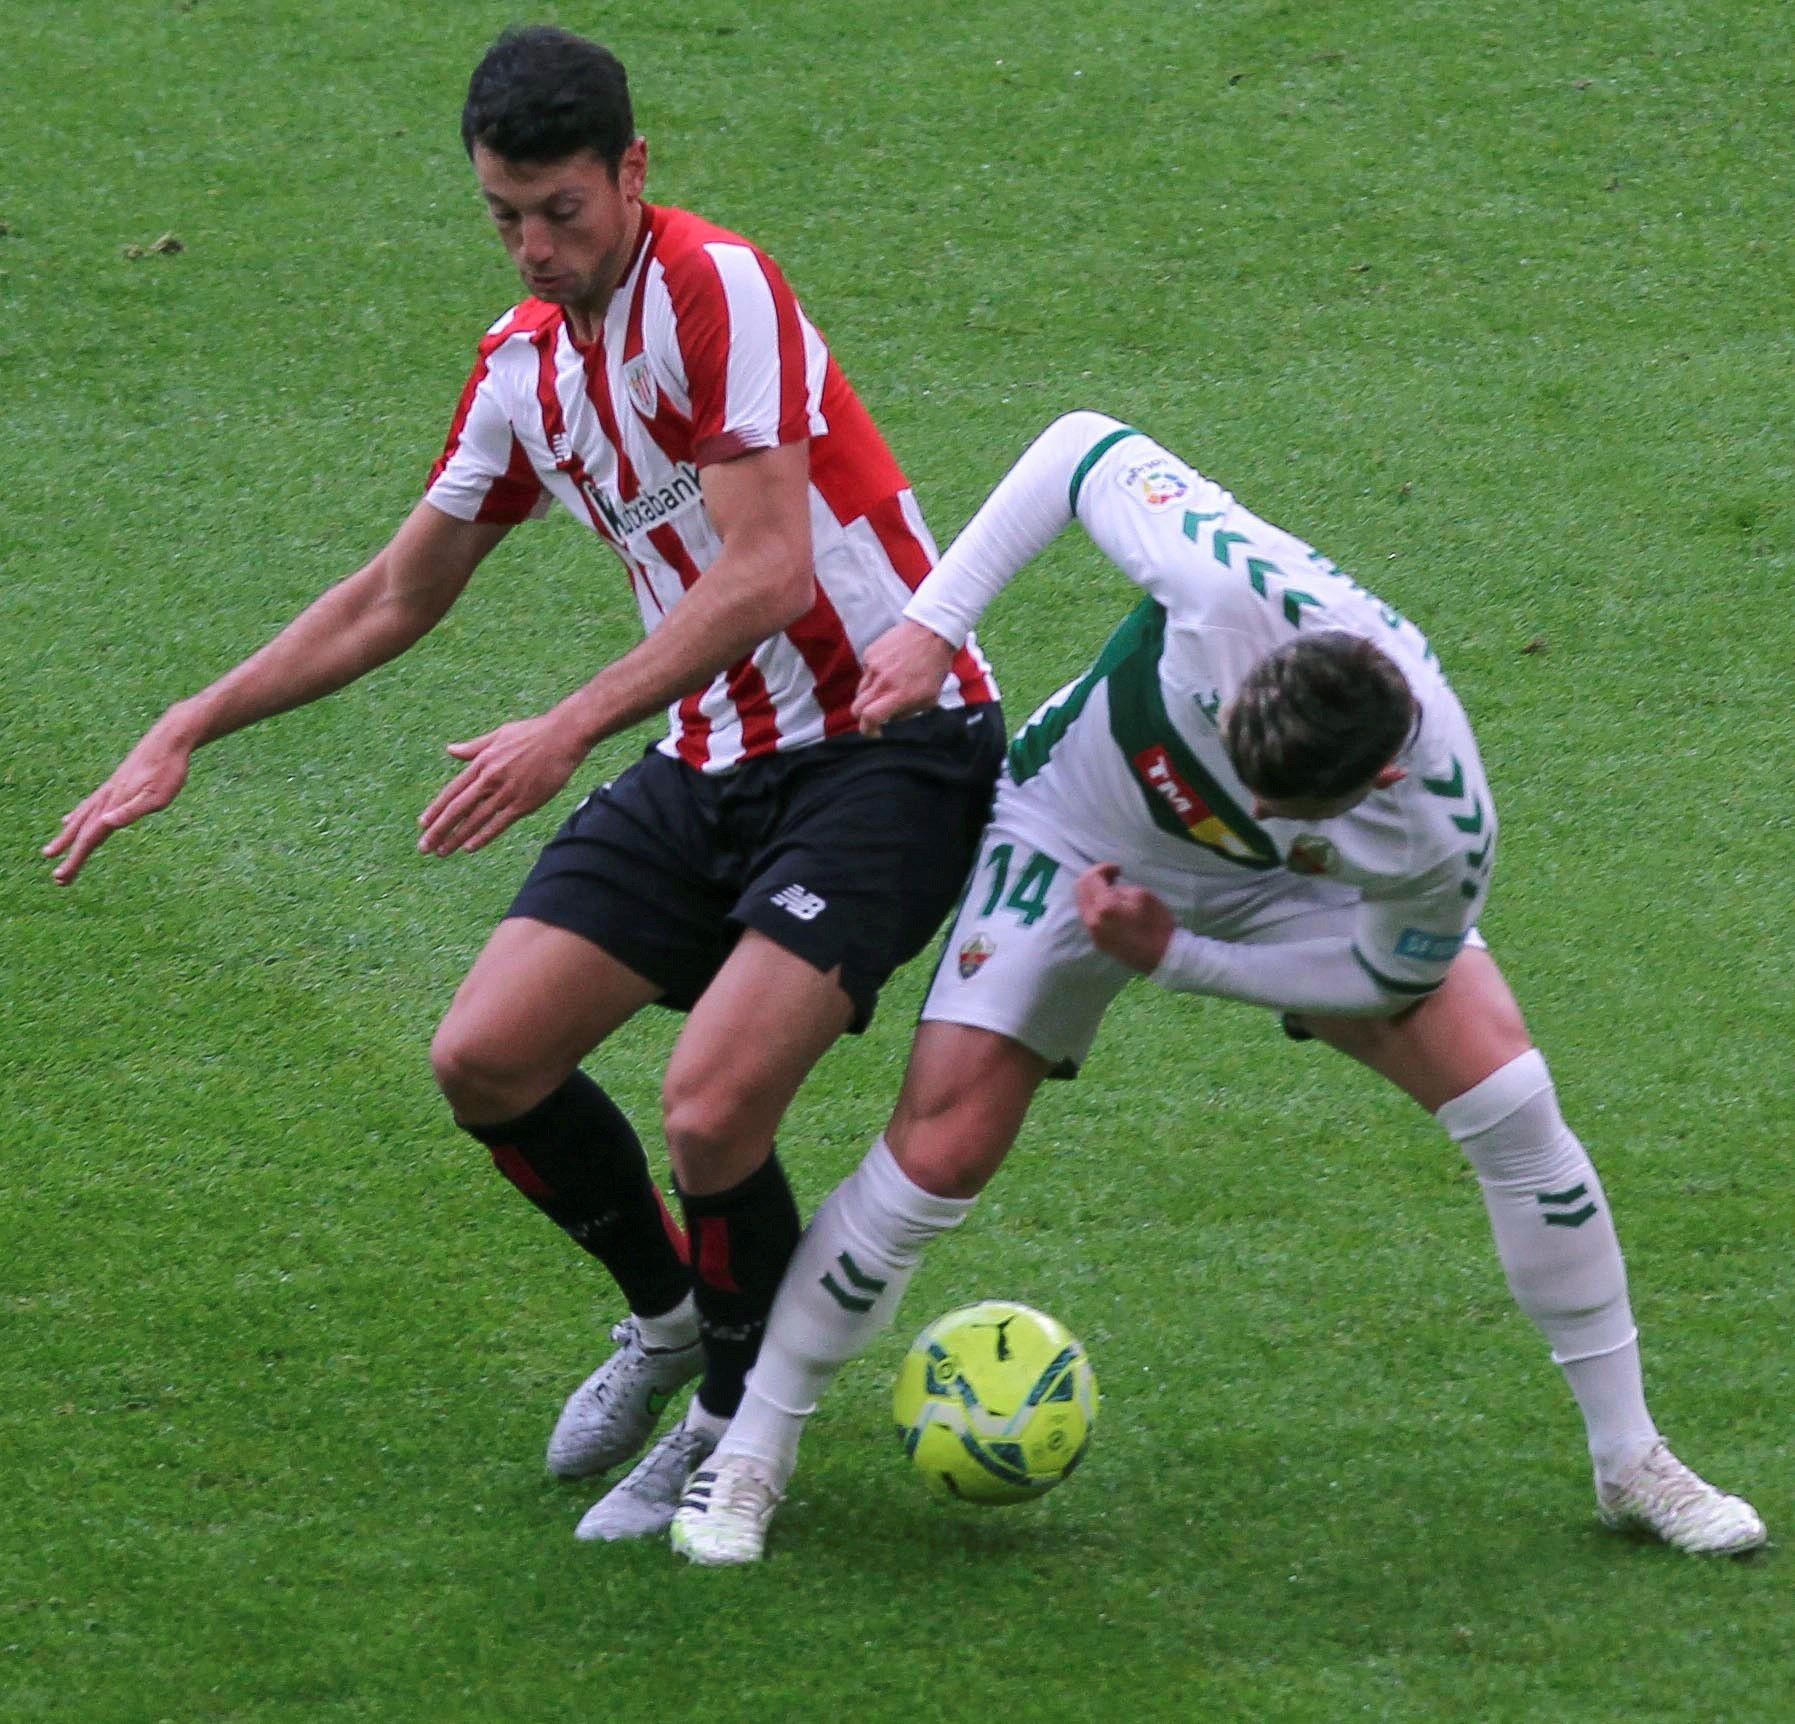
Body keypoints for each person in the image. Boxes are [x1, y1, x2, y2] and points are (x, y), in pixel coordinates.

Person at [43, 26, 1001, 1542]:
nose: (533, 246)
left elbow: (760, 573)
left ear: (630, 171)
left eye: (559, 209)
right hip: (710, 754)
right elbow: (391, 596)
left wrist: (563, 727)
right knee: (485, 1058)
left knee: (710, 1111)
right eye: (503, 214)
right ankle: (675, 1323)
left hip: (883, 746)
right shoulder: (523, 371)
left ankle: (734, 1427)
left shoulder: (717, 288)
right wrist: (189, 720)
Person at [668, 410, 1766, 1565]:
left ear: (1374, 778)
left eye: (1275, 792)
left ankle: (1631, 1457)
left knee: (1513, 1100)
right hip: (1076, 835)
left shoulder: (1437, 832)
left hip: (1293, 900)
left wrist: (1180, 957)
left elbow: (1384, 968)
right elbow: (1078, 446)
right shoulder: (1227, 581)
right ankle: (751, 1449)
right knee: (940, 1145)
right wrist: (938, 622)